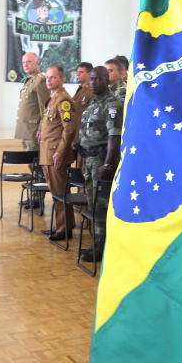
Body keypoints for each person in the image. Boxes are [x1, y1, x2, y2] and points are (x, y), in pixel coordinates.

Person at [76, 66, 122, 261]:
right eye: (91, 79)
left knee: (101, 204)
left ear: (106, 81)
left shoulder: (111, 104)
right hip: (90, 160)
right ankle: (97, 242)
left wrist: (109, 164)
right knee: (93, 203)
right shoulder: (95, 102)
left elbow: (114, 136)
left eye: (97, 79)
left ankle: (102, 247)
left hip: (101, 161)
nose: (92, 82)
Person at [37, 66, 80, 241]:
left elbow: (69, 129)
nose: (48, 80)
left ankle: (65, 229)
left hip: (56, 154)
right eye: (47, 77)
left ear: (62, 79)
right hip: (47, 153)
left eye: (53, 77)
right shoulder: (53, 98)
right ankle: (60, 225)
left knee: (60, 193)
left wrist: (61, 152)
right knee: (56, 193)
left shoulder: (63, 100)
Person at [14, 52, 48, 208]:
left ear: (37, 62)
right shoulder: (29, 81)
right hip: (26, 131)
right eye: (23, 62)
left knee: (36, 165)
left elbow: (44, 109)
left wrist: (41, 129)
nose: (25, 65)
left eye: (29, 62)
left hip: (34, 132)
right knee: (30, 165)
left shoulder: (40, 81)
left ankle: (37, 198)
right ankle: (33, 195)